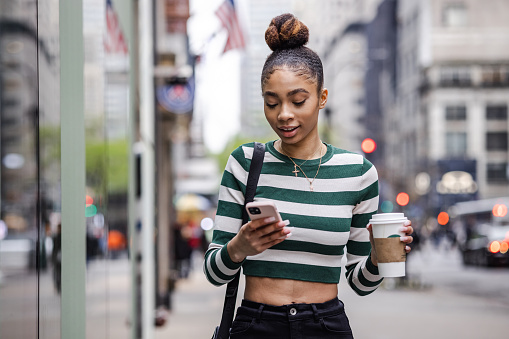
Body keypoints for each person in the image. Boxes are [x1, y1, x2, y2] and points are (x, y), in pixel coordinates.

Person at [204, 13, 414, 338]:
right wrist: (239, 247)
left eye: (298, 101)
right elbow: (213, 271)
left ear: (322, 99)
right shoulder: (245, 163)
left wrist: (378, 256)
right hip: (256, 325)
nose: (284, 115)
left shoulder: (358, 173)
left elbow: (360, 283)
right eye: (271, 103)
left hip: (326, 325)